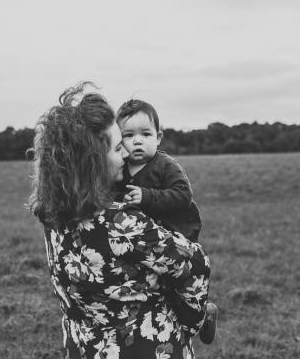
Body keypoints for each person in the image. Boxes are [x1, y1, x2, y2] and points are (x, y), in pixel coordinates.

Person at [28, 82, 211, 358]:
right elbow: (195, 265)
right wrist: (193, 323)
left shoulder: (53, 215)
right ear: (92, 162)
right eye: (116, 148)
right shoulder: (120, 222)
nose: (126, 152)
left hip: (83, 347)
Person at [115, 99, 217, 344]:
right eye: (129, 135)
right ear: (119, 141)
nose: (137, 141)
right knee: (157, 288)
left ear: (158, 137)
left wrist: (147, 196)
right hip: (148, 240)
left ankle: (203, 315)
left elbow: (183, 195)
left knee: (177, 286)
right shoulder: (120, 168)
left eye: (145, 134)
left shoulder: (165, 165)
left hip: (178, 233)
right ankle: (166, 325)